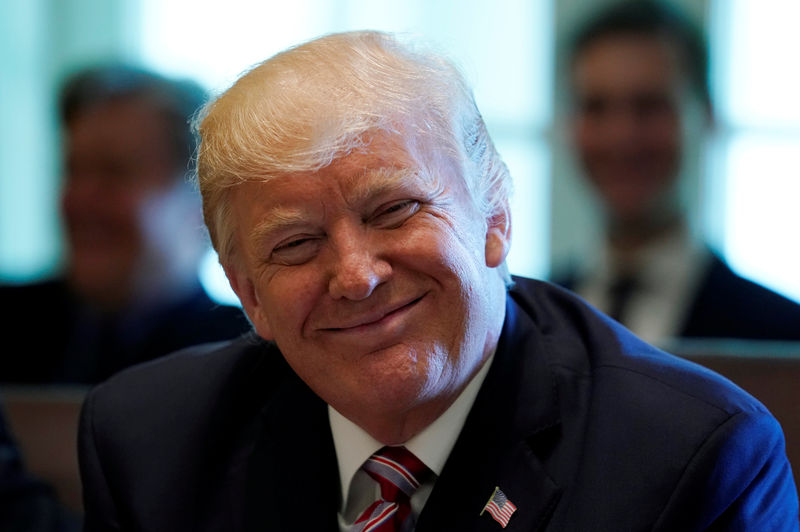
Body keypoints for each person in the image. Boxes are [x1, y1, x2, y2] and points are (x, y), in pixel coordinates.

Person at [78, 31, 798, 531]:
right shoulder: (150, 447)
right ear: (248, 294)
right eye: (296, 244)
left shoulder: (692, 458)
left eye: (394, 211)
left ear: (495, 216)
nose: (356, 276)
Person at [554, 0, 800, 344]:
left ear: (707, 116)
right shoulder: (523, 318)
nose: (621, 137)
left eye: (649, 106)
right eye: (596, 107)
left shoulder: (782, 334)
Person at [0, 65, 249, 384]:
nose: (80, 198)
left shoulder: (249, 357)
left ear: (202, 204)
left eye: (113, 172)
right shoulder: (9, 323)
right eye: (73, 171)